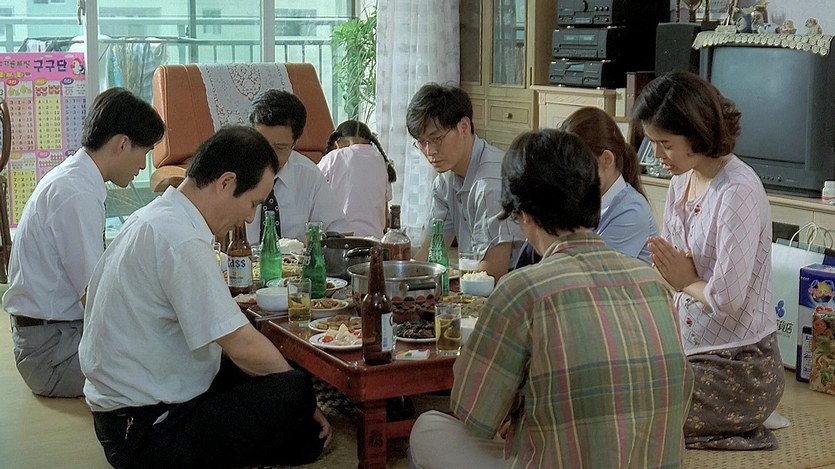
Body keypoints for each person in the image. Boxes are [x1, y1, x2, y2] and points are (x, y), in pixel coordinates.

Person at [408, 129, 693, 468]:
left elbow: (475, 414)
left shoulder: (521, 290)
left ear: (522, 213)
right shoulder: (654, 284)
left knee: (427, 429)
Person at [79, 126, 332, 468]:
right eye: (252, 203)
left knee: (285, 403)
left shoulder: (156, 216)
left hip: (127, 411)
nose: (249, 216)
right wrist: (307, 401)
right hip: (144, 429)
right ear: (226, 183)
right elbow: (239, 342)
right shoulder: (182, 239)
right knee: (295, 390)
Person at [634, 71, 785, 450]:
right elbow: (669, 271)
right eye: (652, 143)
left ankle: (750, 417)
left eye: (665, 144)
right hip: (688, 352)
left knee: (635, 414)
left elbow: (727, 299)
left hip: (741, 366)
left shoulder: (737, 191)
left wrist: (686, 281)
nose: (657, 155)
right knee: (608, 384)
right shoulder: (680, 183)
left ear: (697, 134)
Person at [2, 87, 165, 398]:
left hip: (57, 336)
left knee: (164, 342)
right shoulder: (76, 194)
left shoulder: (76, 179)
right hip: (52, 355)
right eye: (144, 153)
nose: (143, 167)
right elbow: (95, 297)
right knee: (168, 360)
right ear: (122, 144)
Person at [514, 106, 658, 269]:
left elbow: (592, 271)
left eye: (581, 165)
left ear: (607, 159)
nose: (571, 175)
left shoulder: (632, 211)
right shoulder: (585, 198)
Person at [407, 83, 523, 280]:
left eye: (436, 138)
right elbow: (430, 255)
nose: (429, 151)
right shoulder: (444, 182)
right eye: (422, 142)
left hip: (514, 286)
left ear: (464, 127)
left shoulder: (490, 183)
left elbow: (491, 276)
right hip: (478, 280)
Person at [245, 89, 350, 243]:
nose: (268, 154)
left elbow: (340, 232)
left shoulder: (309, 175)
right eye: (260, 143)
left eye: (280, 147)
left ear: (294, 143)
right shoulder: (229, 171)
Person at [318, 119, 396, 238]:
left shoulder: (333, 157)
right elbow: (385, 212)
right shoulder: (380, 160)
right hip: (374, 239)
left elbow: (311, 191)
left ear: (338, 143)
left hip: (339, 239)